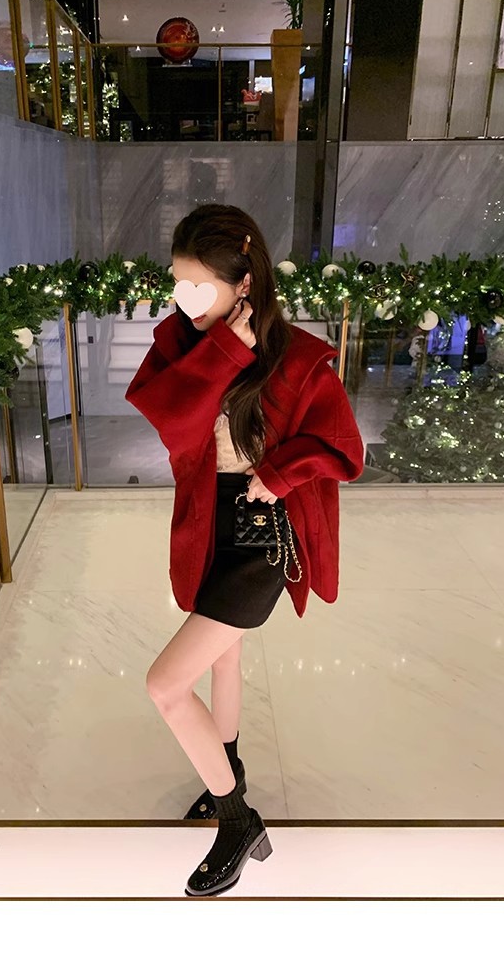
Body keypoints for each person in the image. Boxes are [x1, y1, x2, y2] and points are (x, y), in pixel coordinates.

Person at [125, 204, 365, 898]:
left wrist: (280, 474)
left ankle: (238, 821)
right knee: (222, 660)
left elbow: (345, 449)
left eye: (201, 286)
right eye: (179, 282)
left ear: (245, 284)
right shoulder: (182, 341)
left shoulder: (299, 358)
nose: (186, 299)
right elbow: (172, 424)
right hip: (208, 525)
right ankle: (224, 772)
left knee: (166, 684)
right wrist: (223, 351)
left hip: (264, 536)